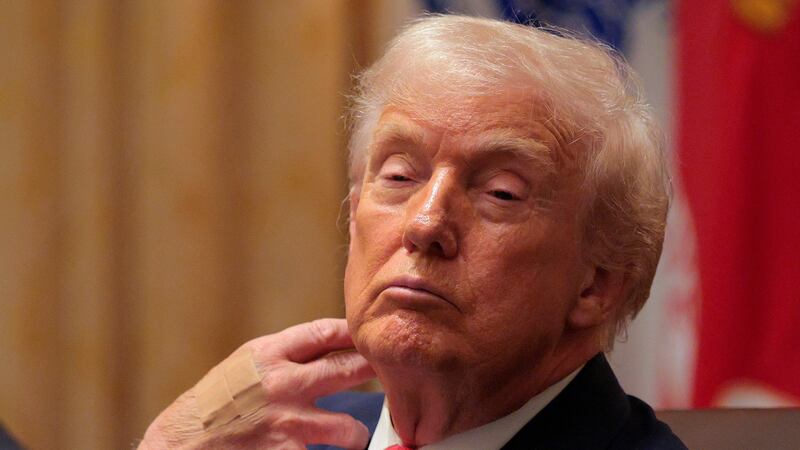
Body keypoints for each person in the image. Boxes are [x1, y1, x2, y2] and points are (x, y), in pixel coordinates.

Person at [139, 15, 686, 449]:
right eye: (399, 176)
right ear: (354, 217)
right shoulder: (280, 437)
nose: (425, 225)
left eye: (500, 193)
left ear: (597, 284)